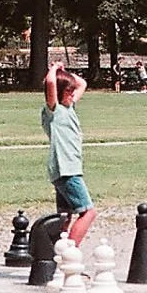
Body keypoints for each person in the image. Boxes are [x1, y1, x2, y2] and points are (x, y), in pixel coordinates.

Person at [41, 61, 95, 244]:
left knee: (65, 217)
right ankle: (70, 254)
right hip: (66, 169)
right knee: (88, 212)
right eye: (68, 91)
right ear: (58, 92)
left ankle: (54, 252)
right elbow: (50, 83)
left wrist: (65, 72)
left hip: (67, 168)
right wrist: (54, 69)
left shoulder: (69, 107)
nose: (73, 94)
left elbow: (82, 84)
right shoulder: (53, 111)